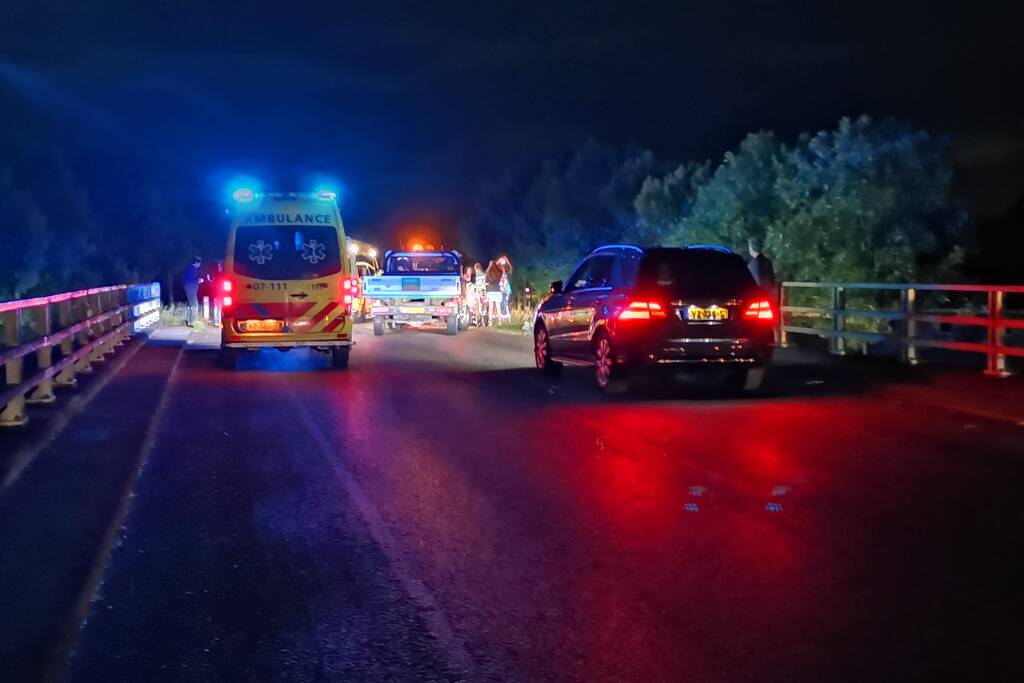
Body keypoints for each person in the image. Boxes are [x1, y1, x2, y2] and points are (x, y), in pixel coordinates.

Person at [183, 256, 202, 327]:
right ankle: (193, 322)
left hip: (188, 288)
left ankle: (188, 321)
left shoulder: (189, 268)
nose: (199, 265)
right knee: (194, 305)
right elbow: (193, 280)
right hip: (191, 288)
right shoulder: (193, 269)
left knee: (190, 305)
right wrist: (199, 280)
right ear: (197, 262)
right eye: (199, 263)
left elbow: (187, 279)